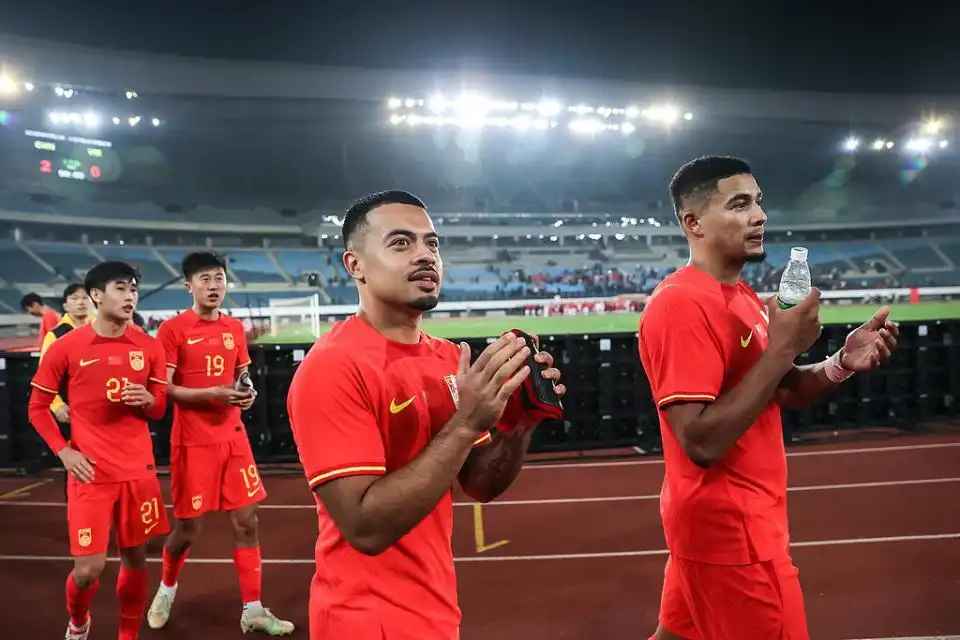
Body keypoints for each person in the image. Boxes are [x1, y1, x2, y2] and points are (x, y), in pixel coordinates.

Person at [639, 156, 901, 640]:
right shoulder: (681, 304)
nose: (759, 216)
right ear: (693, 223)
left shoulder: (741, 298)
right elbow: (700, 441)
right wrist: (782, 347)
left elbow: (781, 387)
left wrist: (841, 362)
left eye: (758, 202)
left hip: (718, 530)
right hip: (735, 538)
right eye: (739, 204)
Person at [287, 190, 566, 640]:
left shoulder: (448, 359)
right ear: (355, 265)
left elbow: (481, 484)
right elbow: (364, 528)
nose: (425, 255)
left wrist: (518, 423)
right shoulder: (332, 367)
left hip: (435, 610)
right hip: (364, 621)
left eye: (431, 243)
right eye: (401, 242)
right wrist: (467, 423)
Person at [146, 250, 294, 636]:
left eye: (219, 278)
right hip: (192, 443)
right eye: (205, 279)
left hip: (233, 439)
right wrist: (212, 393)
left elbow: (242, 374)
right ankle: (166, 589)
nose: (214, 286)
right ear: (189, 286)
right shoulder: (172, 330)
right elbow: (165, 390)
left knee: (247, 522)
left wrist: (247, 390)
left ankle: (253, 609)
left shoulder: (233, 328)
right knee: (187, 531)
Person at [27, 261, 170, 640]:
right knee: (88, 570)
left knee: (136, 558)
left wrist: (148, 401)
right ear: (96, 295)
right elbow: (37, 408)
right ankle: (78, 621)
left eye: (133, 288)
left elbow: (159, 408)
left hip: (137, 472)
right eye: (120, 288)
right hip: (90, 473)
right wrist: (64, 451)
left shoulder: (149, 346)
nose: (130, 295)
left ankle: (128, 634)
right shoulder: (66, 347)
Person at [40, 283, 93, 426]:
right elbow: (45, 375)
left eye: (85, 297)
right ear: (65, 306)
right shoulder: (55, 336)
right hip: (69, 408)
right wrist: (57, 405)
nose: (81, 302)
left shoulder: (103, 330)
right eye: (75, 298)